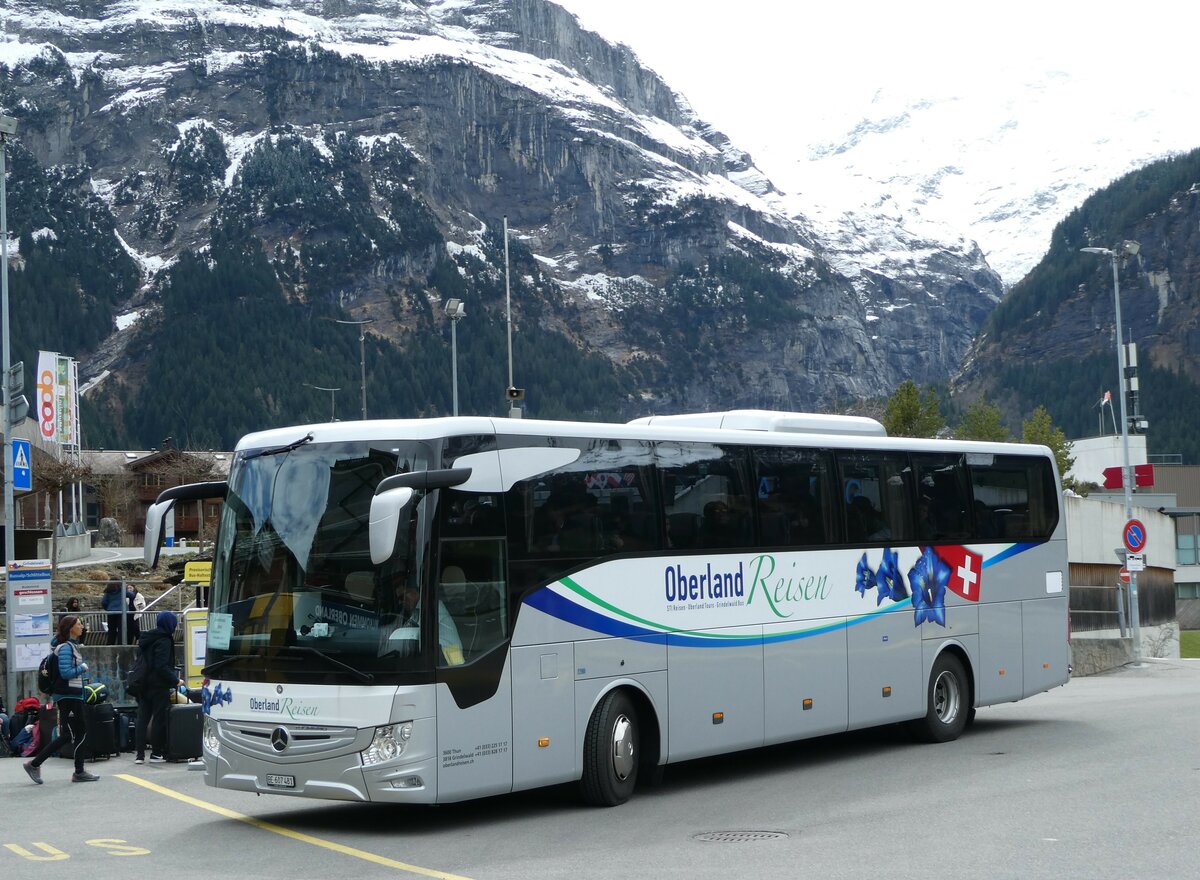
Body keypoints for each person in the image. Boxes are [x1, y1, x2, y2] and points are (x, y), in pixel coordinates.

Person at [23, 615, 100, 784]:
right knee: (77, 732)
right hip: (69, 695)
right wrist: (82, 668)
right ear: (70, 628)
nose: (82, 627)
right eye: (79, 624)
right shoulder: (66, 648)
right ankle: (77, 771)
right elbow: (66, 673)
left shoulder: (69, 646)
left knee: (69, 734)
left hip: (71, 695)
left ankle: (36, 764)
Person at [134, 611, 185, 764]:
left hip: (143, 683)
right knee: (158, 718)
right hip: (158, 684)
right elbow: (161, 665)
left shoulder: (146, 638)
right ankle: (156, 753)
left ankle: (139, 755)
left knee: (142, 718)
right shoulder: (164, 640)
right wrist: (175, 680)